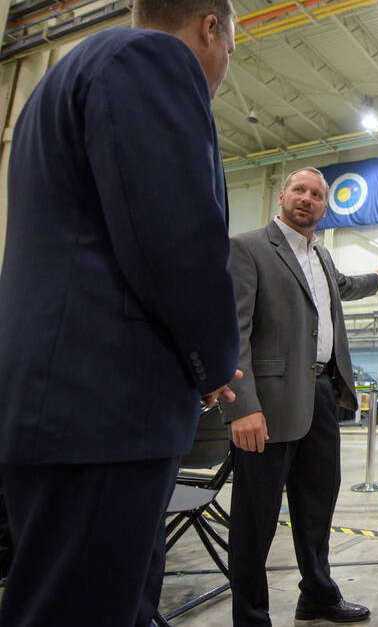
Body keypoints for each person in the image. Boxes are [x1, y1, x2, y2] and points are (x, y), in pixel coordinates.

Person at [0, 0, 241, 624]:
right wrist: (214, 362)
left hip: (58, 404)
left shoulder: (58, 84)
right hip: (106, 408)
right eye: (229, 54)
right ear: (209, 27)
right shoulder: (151, 58)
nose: (222, 70)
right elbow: (177, 239)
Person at [227, 167, 378, 625]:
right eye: (299, 190)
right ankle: (251, 616)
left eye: (317, 194)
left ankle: (317, 594)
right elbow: (233, 331)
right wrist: (243, 406)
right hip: (269, 402)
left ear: (324, 206)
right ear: (281, 196)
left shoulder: (320, 257)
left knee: (318, 503)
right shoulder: (248, 248)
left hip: (322, 393)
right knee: (255, 518)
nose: (308, 198)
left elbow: (345, 288)